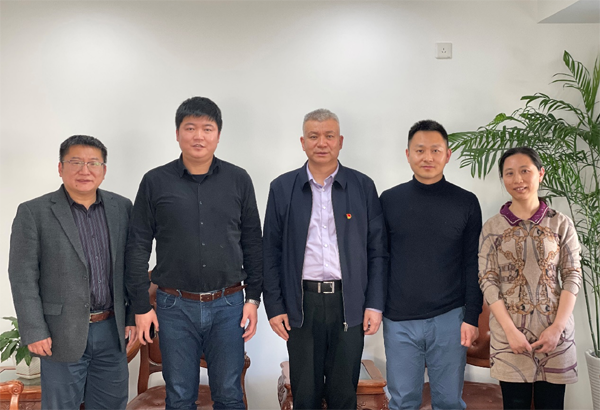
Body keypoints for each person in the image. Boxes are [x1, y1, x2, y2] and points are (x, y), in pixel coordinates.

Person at [125, 96, 262, 410]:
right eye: (190, 128)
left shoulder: (238, 179)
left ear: (218, 135)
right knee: (179, 397)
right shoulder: (155, 181)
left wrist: (253, 299)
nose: (198, 136)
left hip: (229, 305)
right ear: (177, 133)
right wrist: (141, 306)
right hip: (174, 307)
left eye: (207, 128)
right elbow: (137, 246)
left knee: (229, 395)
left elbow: (253, 242)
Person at [263, 108, 387, 410]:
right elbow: (270, 252)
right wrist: (275, 306)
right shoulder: (282, 188)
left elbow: (377, 250)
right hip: (301, 303)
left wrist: (374, 304)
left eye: (329, 136)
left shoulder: (362, 186)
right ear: (302, 142)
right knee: (305, 393)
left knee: (343, 393)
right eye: (314, 136)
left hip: (348, 301)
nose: (322, 143)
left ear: (340, 141)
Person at [8, 135, 136, 410]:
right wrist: (34, 330)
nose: (84, 170)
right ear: (60, 167)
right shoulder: (34, 212)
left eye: (93, 163)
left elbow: (131, 266)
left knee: (111, 404)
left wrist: (132, 316)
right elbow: (22, 276)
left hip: (111, 329)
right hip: (60, 333)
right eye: (75, 162)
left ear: (104, 170)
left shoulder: (122, 207)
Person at [380, 119, 483, 410]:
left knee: (449, 402)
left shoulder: (466, 202)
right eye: (420, 150)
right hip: (399, 319)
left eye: (435, 150)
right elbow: (380, 259)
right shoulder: (389, 200)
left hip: (450, 317)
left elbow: (473, 262)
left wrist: (471, 316)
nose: (428, 157)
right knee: (403, 402)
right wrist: (374, 307)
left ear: (447, 155)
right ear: (407, 154)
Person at [478, 147, 581, 410]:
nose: (518, 179)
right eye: (509, 173)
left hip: (555, 337)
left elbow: (572, 276)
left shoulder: (561, 224)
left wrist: (557, 328)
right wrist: (510, 332)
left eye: (525, 171)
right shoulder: (492, 227)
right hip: (509, 337)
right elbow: (488, 280)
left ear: (540, 173)